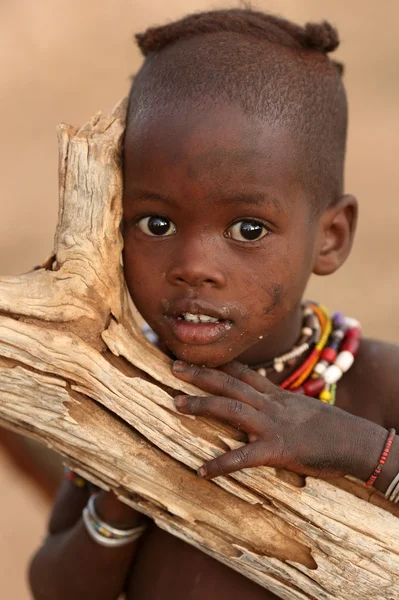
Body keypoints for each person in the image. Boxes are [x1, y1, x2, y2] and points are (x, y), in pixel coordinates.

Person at [29, 8, 399, 600]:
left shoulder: (375, 383)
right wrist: (124, 491)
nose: (193, 266)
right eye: (155, 222)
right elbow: (54, 586)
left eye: (248, 230)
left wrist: (356, 448)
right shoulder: (118, 386)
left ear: (330, 238)